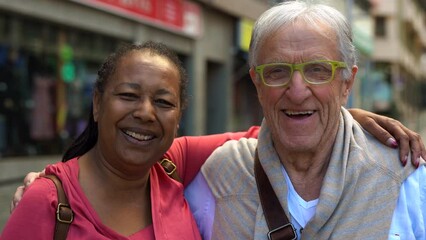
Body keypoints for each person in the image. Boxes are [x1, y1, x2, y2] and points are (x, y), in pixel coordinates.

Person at [5, 41, 426, 238]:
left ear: (179, 117)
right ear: (97, 104)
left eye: (163, 102)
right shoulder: (48, 202)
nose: (145, 113)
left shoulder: (174, 166)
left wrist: (341, 112)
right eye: (128, 96)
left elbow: (276, 132)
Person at [185, 1, 426, 239]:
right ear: (257, 84)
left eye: (318, 70)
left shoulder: (406, 179)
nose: (297, 92)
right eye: (277, 71)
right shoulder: (219, 177)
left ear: (347, 83)